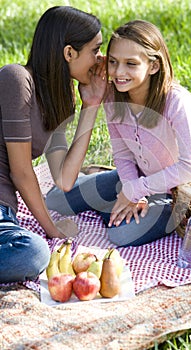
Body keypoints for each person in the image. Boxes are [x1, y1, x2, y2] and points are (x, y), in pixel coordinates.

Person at [46, 20, 191, 247]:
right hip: (134, 177)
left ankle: (110, 203)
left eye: (131, 64)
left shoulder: (176, 102)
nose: (119, 72)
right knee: (55, 200)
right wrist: (130, 187)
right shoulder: (113, 97)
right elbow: (123, 155)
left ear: (153, 66)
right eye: (113, 62)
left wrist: (134, 191)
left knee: (121, 234)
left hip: (174, 192)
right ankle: (110, 198)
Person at [0, 6, 106, 283]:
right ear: (69, 53)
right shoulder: (16, 79)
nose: (100, 59)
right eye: (95, 50)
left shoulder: (59, 101)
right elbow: (21, 172)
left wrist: (91, 105)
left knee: (30, 253)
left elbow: (64, 178)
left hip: (5, 217)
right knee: (34, 252)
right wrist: (52, 229)